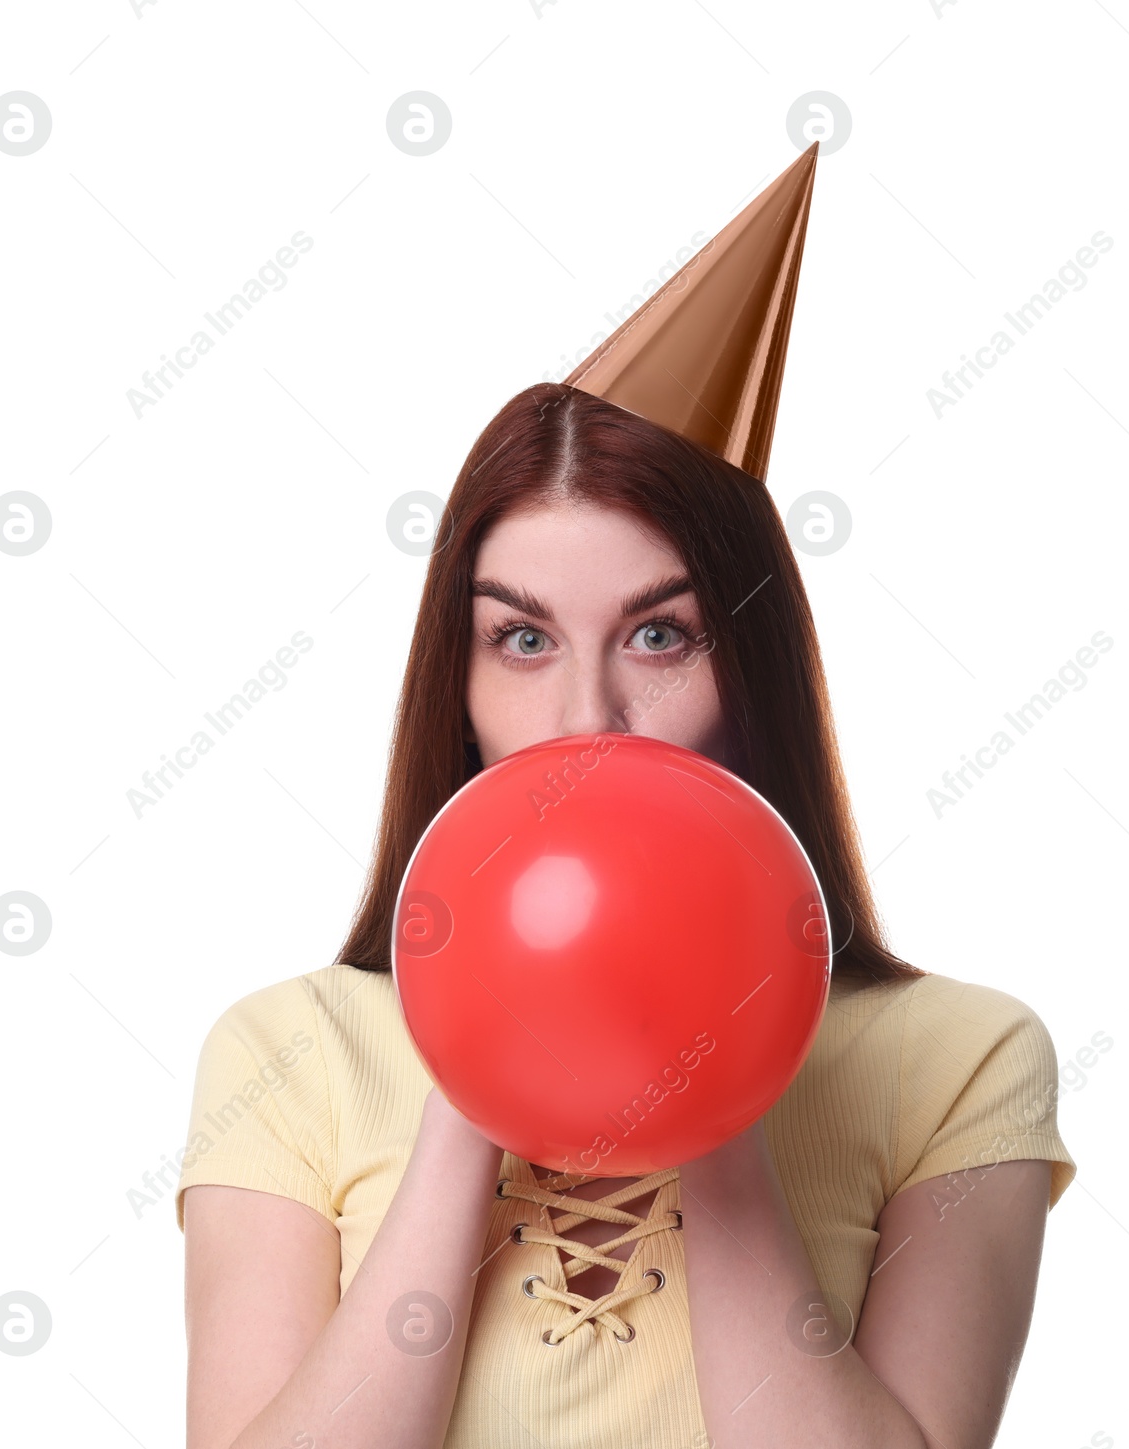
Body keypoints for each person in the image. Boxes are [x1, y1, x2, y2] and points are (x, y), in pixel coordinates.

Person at [175, 145, 1076, 1449]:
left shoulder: (958, 1061)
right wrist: (474, 1073)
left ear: (747, 664)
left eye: (660, 636)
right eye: (524, 640)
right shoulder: (288, 1052)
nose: (586, 720)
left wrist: (706, 1050)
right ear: (460, 679)